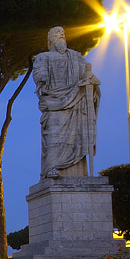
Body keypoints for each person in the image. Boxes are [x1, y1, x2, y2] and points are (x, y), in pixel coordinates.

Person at [32, 26, 101, 178]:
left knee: (76, 139)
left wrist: (91, 81)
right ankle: (51, 168)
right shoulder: (43, 57)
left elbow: (86, 75)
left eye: (63, 34)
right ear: (50, 39)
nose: (61, 35)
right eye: (57, 34)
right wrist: (42, 77)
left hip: (75, 102)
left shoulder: (75, 57)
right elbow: (38, 71)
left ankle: (78, 171)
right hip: (54, 102)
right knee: (53, 136)